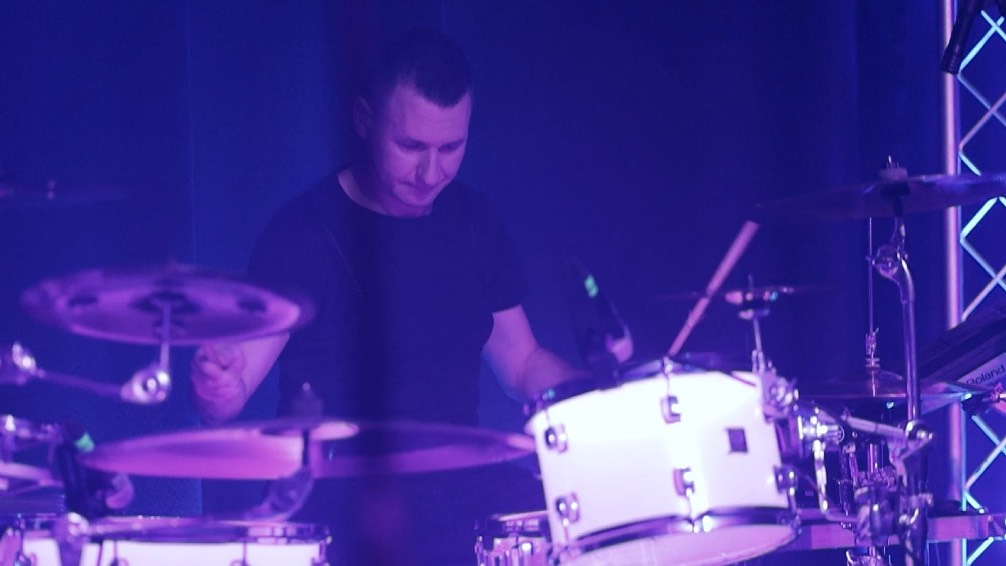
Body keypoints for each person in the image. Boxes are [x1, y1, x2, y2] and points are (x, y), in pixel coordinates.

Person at [190, 29, 584, 565]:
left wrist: (601, 394)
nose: (431, 172)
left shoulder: (475, 222)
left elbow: (522, 364)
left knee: (572, 516)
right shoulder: (304, 234)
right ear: (364, 120)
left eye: (451, 148)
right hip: (343, 498)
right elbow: (232, 392)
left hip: (459, 490)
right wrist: (217, 385)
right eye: (411, 147)